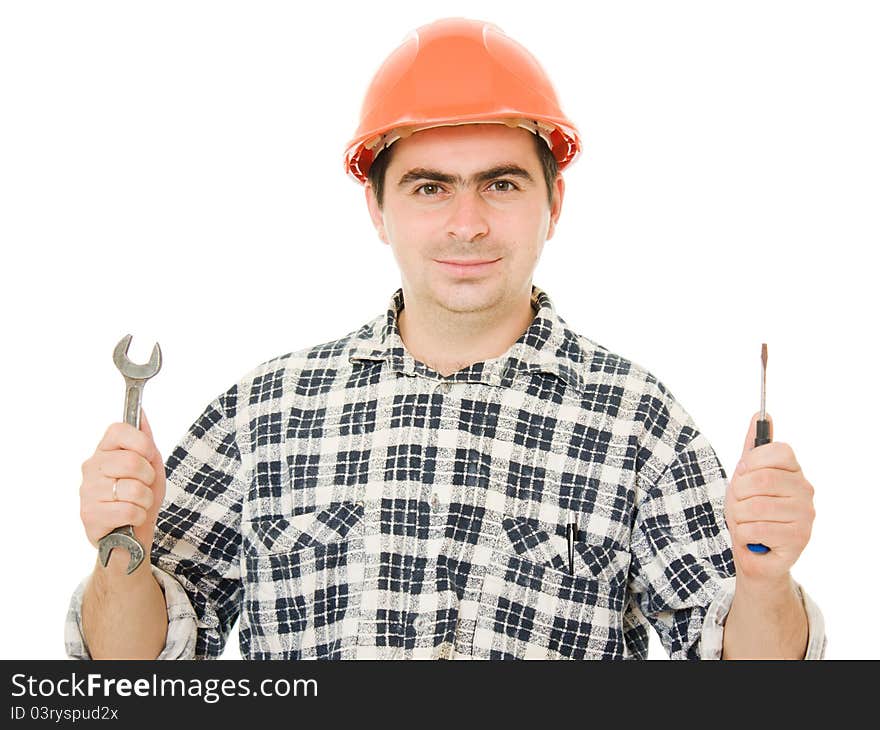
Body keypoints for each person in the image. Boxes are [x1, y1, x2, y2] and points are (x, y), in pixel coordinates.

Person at [66, 17, 825, 660]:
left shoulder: (638, 422)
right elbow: (139, 673)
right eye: (430, 187)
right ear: (377, 208)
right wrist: (120, 554)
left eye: (501, 183)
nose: (467, 223)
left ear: (553, 202)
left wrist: (764, 580)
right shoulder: (264, 410)